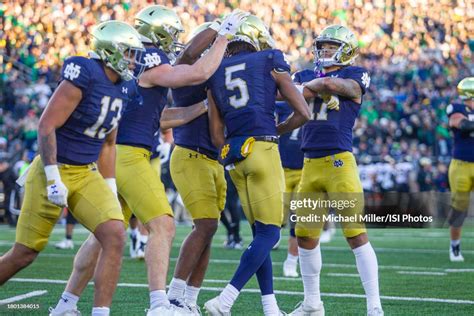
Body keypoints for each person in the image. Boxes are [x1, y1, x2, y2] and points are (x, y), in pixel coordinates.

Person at [50, 6, 248, 316]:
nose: (174, 41)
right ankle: (159, 304)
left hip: (118, 154)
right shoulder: (150, 57)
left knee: (103, 236)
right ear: (158, 33)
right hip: (129, 156)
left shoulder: (133, 62)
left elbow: (159, 118)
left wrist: (198, 109)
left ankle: (66, 303)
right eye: (171, 33)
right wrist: (223, 37)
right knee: (164, 225)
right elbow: (197, 71)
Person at [0, 21, 145, 316]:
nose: (133, 60)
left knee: (114, 234)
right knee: (25, 253)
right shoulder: (85, 73)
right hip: (52, 169)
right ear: (111, 51)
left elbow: (108, 143)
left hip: (86, 172)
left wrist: (111, 186)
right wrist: (53, 177)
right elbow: (46, 125)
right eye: (129, 53)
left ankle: (99, 313)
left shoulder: (124, 87)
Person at [204, 15, 310, 315]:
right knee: (270, 234)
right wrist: (276, 130)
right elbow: (302, 111)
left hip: (234, 156)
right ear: (255, 38)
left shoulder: (214, 72)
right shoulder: (269, 58)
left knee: (259, 235)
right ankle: (225, 299)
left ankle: (270, 306)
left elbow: (215, 135)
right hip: (262, 148)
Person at [289, 25, 383, 316]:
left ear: (346, 49)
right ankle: (312, 303)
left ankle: (374, 306)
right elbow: (290, 94)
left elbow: (340, 88)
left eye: (331, 46)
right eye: (323, 46)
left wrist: (317, 86)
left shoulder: (355, 74)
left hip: (339, 163)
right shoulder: (304, 73)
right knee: (304, 235)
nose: (324, 51)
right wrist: (312, 86)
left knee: (355, 233)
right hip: (309, 164)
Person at [446, 77, 474, 262]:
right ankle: (454, 246)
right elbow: (462, 124)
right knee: (459, 209)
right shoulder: (457, 108)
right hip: (462, 165)